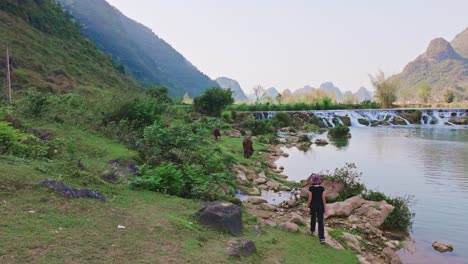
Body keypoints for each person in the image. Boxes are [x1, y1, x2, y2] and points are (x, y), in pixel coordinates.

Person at [307, 173, 327, 243]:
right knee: (320, 221)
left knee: (313, 218)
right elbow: (323, 198)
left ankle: (312, 231)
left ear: (313, 180)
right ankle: (322, 238)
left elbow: (310, 198)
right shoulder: (322, 188)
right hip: (320, 206)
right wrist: (325, 207)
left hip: (313, 205)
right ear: (318, 179)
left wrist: (307, 206)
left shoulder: (311, 188)